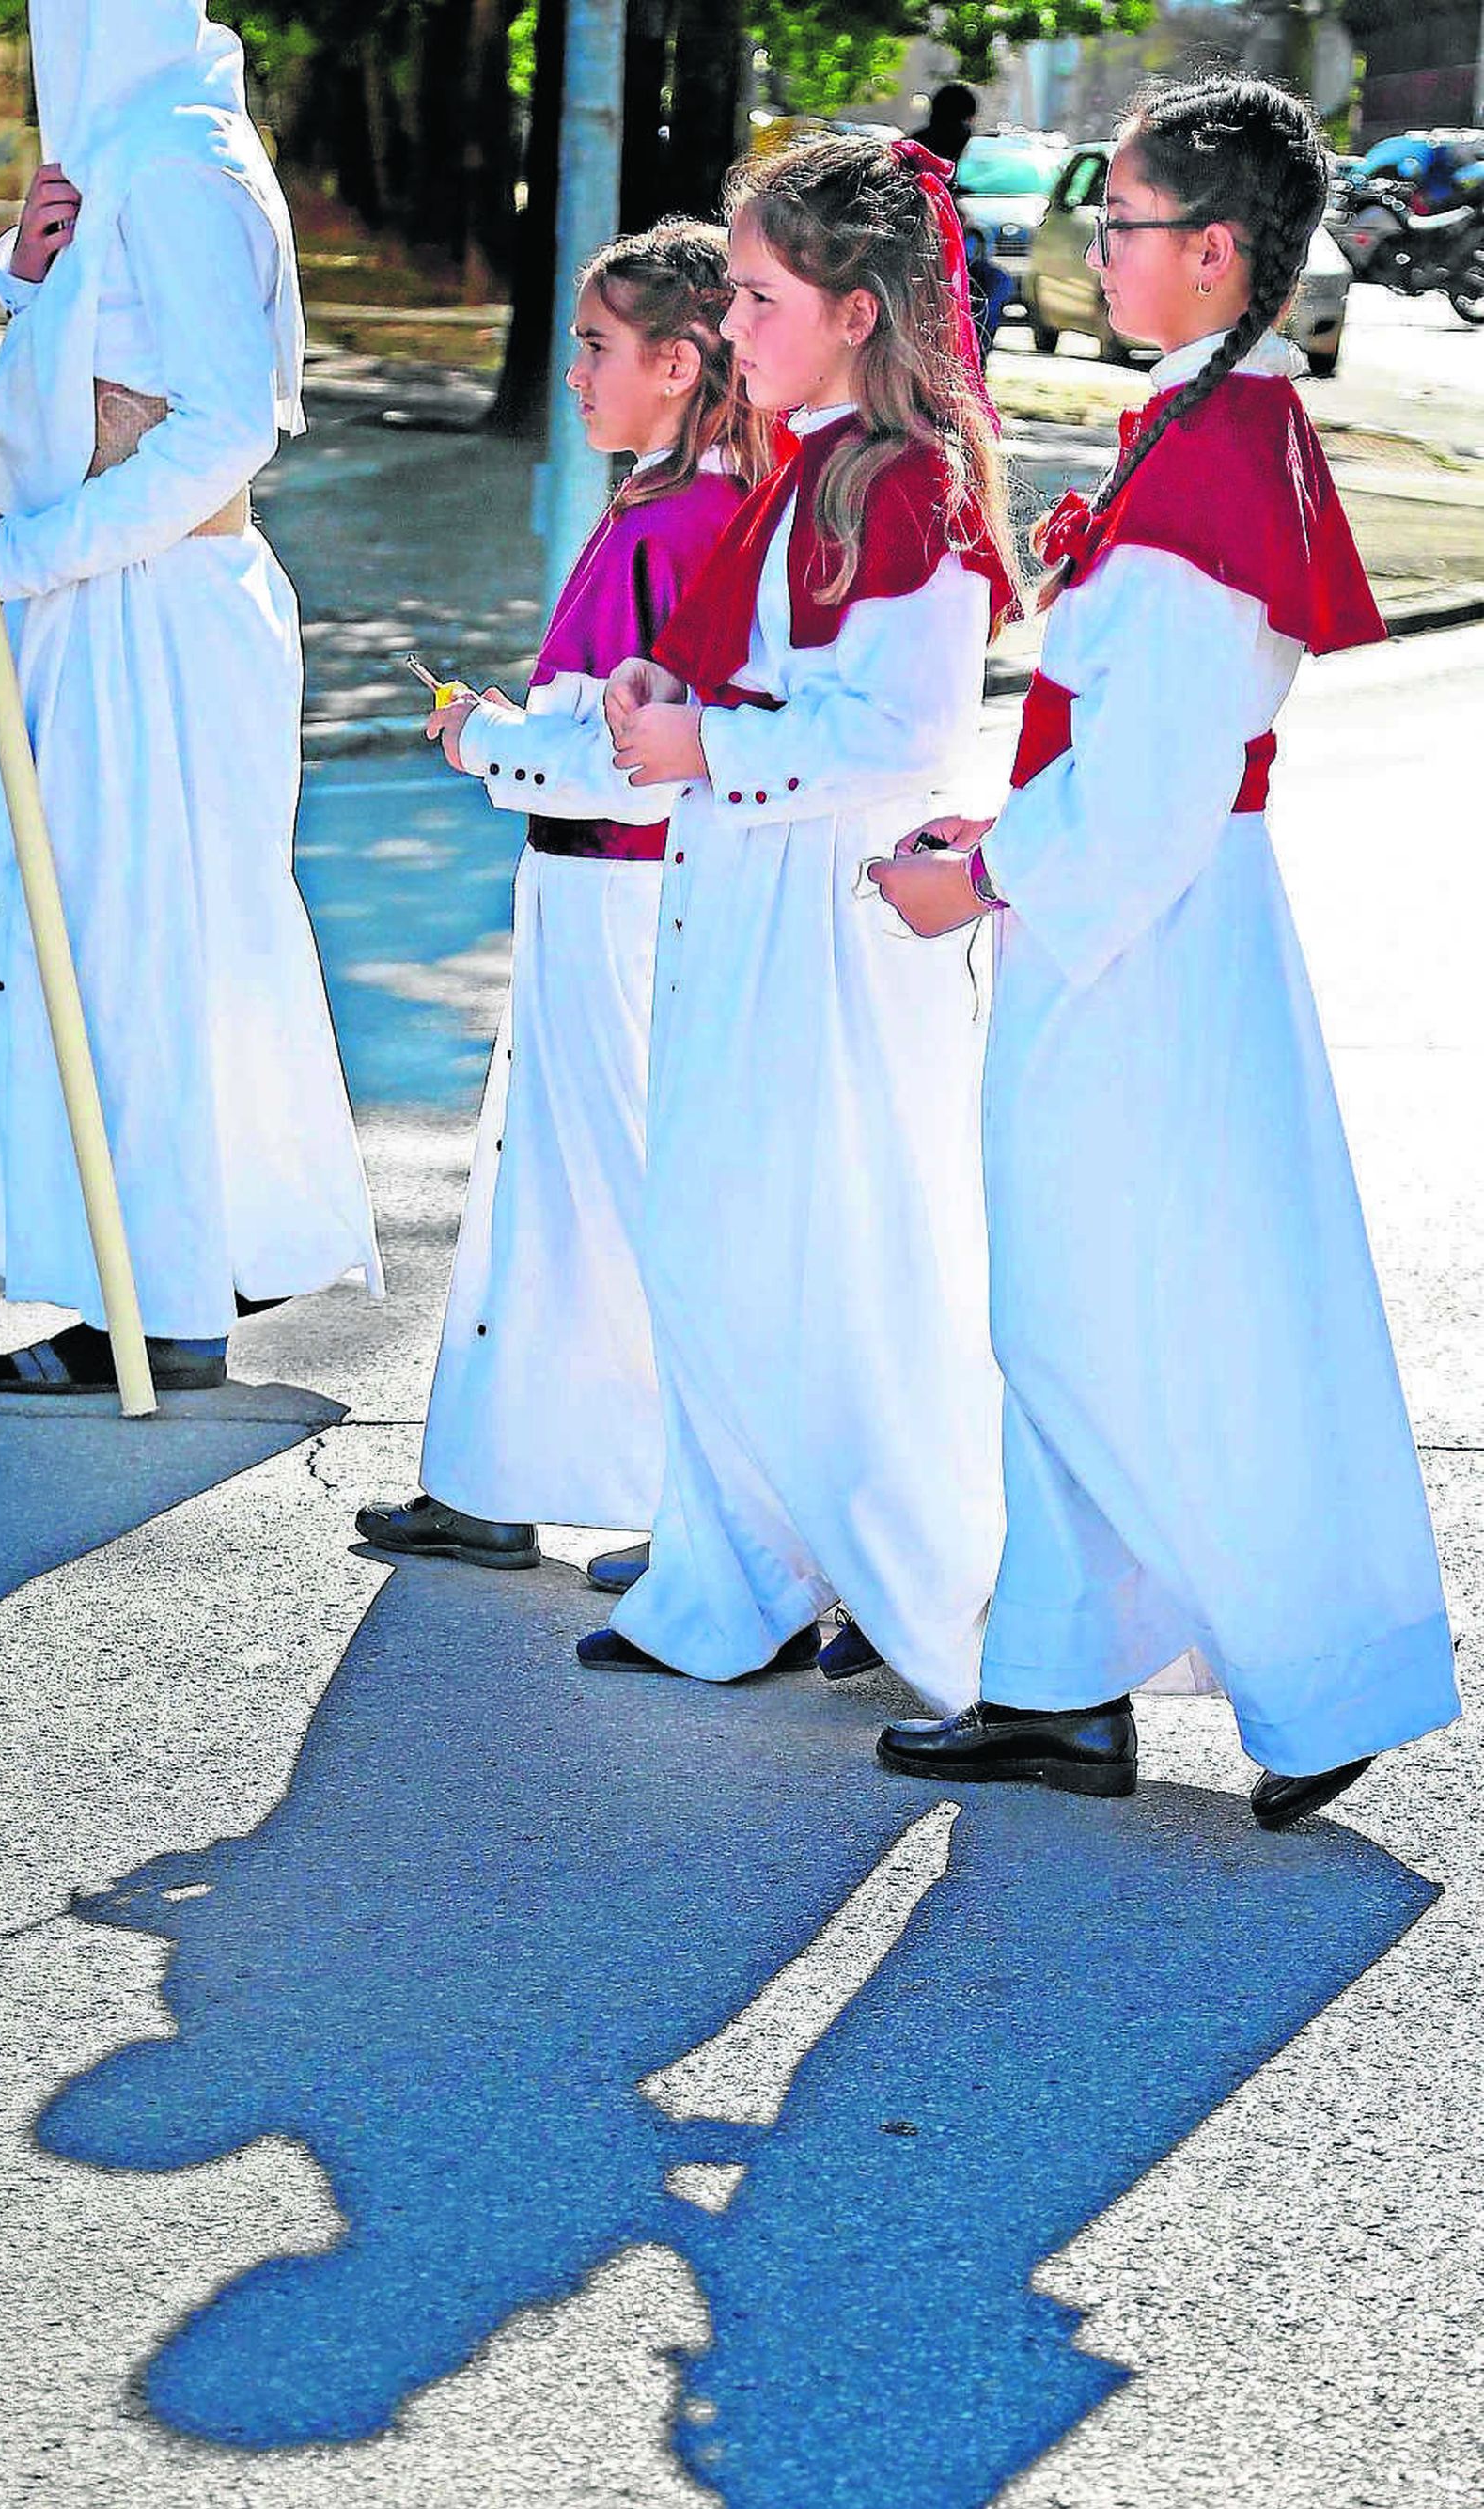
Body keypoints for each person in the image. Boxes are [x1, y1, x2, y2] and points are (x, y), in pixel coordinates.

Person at [868, 73, 1460, 1830]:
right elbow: (1128, 745)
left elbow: (1165, 773)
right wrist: (1005, 841)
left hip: (1151, 936)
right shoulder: (1205, 422)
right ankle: (1058, 1683)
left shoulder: (1220, 454)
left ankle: (1306, 1669)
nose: (1090, 246)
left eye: (1116, 220)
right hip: (1127, 917)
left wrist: (981, 882)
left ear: (1211, 252)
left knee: (1118, 1312)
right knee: (1079, 1305)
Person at [577, 131, 1019, 1709]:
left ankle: (870, 1571)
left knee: (819, 1248)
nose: (732, 329)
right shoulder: (807, 464)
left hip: (825, 916)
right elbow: (760, 667)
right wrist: (669, 688)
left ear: (854, 312)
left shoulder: (907, 486)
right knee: (722, 1240)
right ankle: (749, 1569)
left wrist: (711, 746)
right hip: (754, 896)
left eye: (761, 297)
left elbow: (902, 736)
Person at [0, 1, 380, 1396]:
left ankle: (158, 1302)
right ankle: (166, 1262)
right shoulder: (138, 144)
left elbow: (224, 418)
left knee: (143, 946)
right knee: (111, 941)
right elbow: (115, 356)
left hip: (153, 609)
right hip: (107, 604)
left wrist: (23, 553)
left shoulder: (186, 154)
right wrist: (26, 281)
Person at [355, 223, 758, 1575]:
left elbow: (624, 768)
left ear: (681, 359)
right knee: (554, 1193)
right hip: (599, 895)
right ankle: (499, 1471)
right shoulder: (673, 503)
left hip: (618, 898)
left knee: (619, 1194)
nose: (572, 371)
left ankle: (699, 1513)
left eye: (595, 345)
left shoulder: (676, 520)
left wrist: (482, 737)